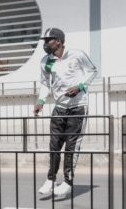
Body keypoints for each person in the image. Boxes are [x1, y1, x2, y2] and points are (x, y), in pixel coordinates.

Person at [34, 27, 97, 199]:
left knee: (71, 147)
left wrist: (80, 87)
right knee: (54, 146)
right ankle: (51, 179)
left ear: (59, 41)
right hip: (59, 108)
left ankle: (68, 182)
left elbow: (93, 71)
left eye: (48, 40)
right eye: (45, 41)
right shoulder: (45, 61)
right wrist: (40, 101)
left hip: (78, 107)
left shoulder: (76, 55)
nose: (46, 44)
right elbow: (45, 83)